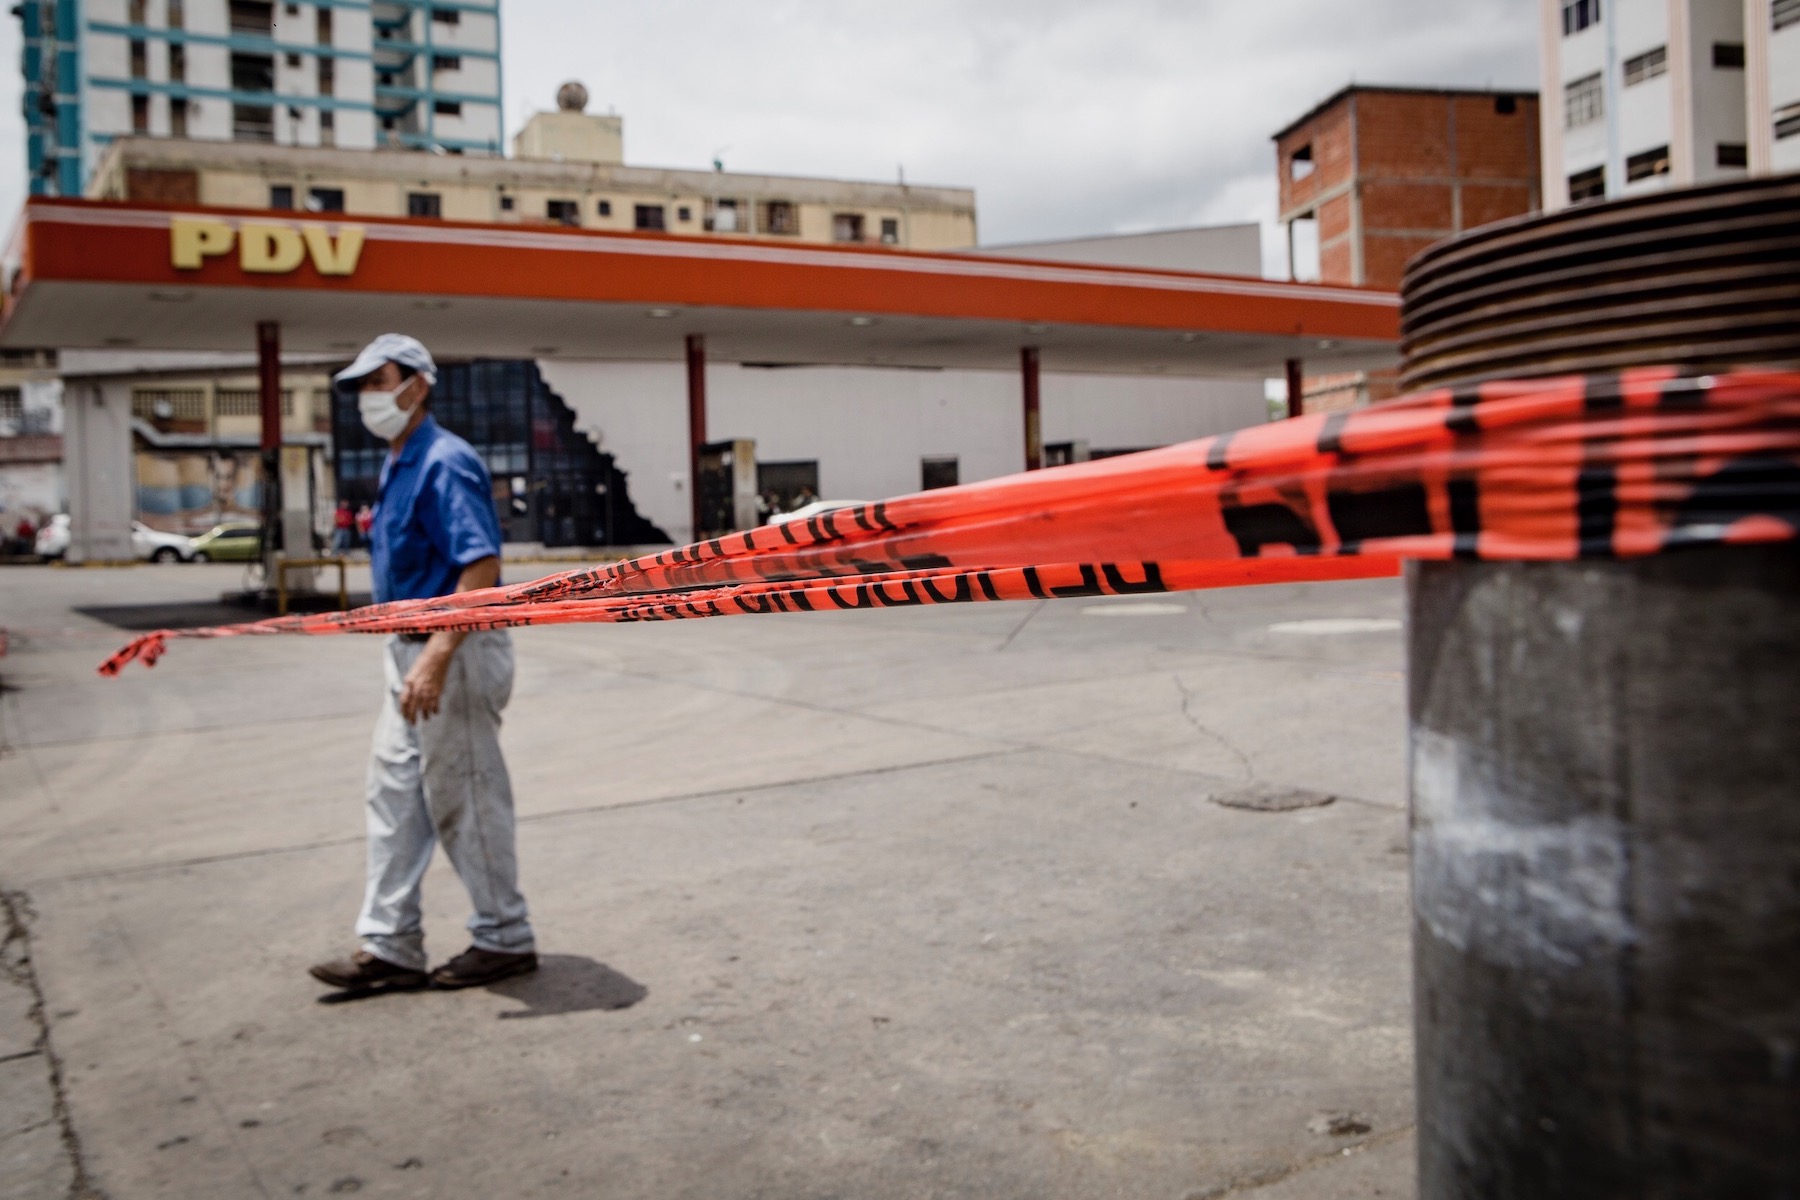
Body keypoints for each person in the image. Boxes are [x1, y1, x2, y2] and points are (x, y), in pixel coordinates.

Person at [309, 334, 537, 997]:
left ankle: (505, 937)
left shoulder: (445, 460)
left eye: (379, 381)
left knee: (464, 793)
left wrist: (436, 658)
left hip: (451, 650)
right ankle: (390, 946)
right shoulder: (399, 460)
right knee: (394, 798)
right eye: (361, 386)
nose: (367, 397)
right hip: (408, 652)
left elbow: (482, 570)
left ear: (417, 384)